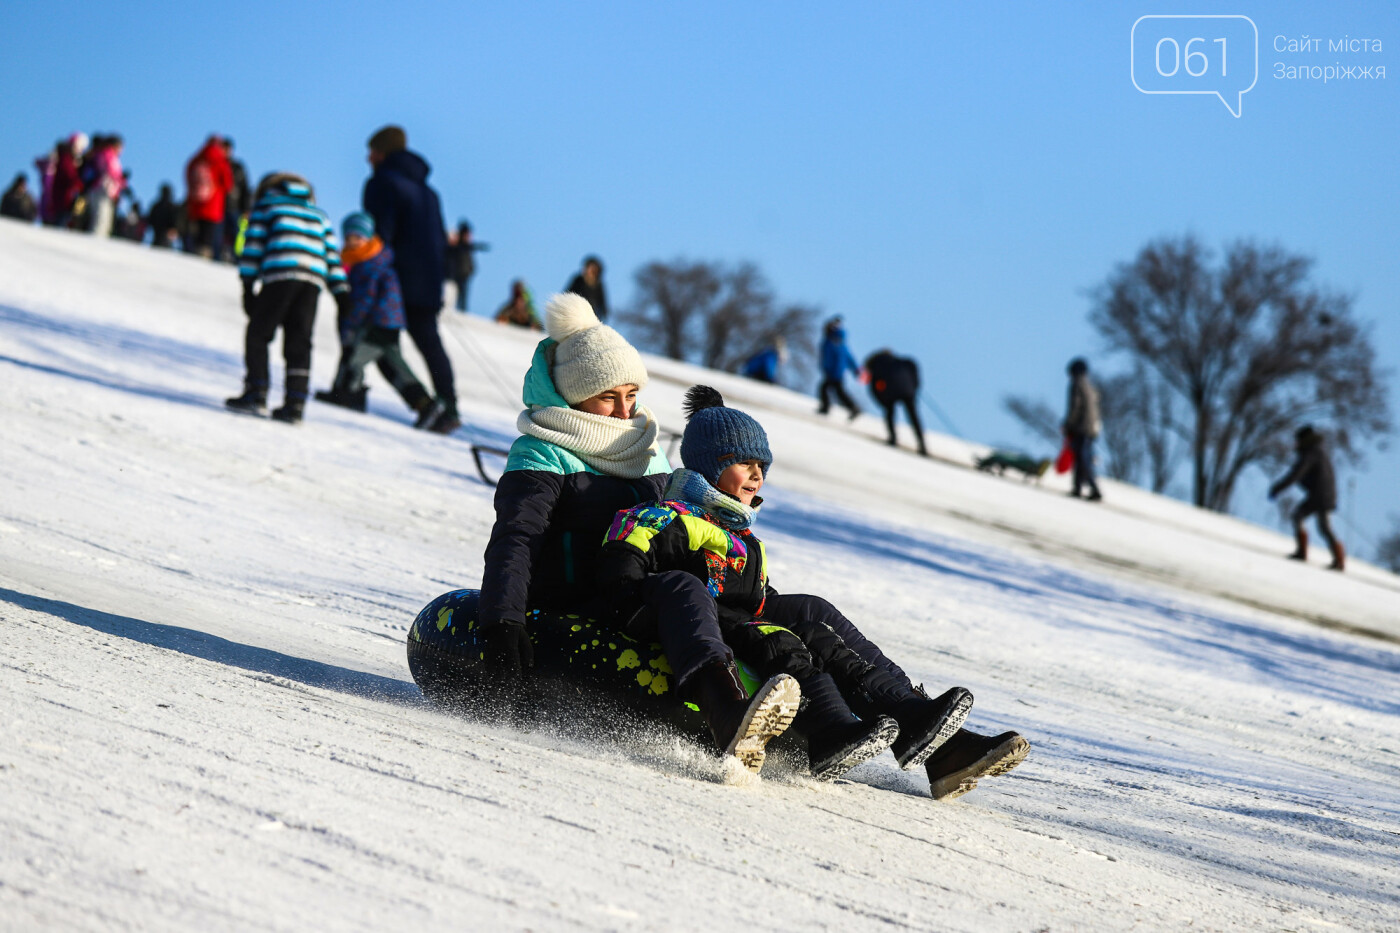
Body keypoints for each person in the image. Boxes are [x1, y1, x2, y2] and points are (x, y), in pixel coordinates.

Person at [476, 293, 801, 771]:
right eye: (608, 396)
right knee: (682, 589)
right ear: (573, 394)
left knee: (789, 611)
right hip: (577, 601)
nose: (624, 412)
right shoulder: (543, 452)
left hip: (644, 594)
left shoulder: (647, 450)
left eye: (631, 395)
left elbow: (685, 527)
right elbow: (517, 539)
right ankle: (726, 714)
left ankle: (836, 717)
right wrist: (502, 621)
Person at [600, 386, 974, 781]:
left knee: (814, 620)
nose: (757, 475)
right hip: (682, 620)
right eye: (744, 463)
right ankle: (826, 729)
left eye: (762, 465)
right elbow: (623, 559)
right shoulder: (667, 516)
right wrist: (631, 599)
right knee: (777, 638)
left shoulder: (741, 536)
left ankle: (913, 717)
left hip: (731, 617)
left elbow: (753, 598)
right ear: (710, 465)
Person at [226, 173, 348, 423]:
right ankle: (295, 403)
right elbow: (332, 256)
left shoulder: (267, 206)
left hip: (280, 273)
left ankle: (256, 392)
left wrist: (248, 285)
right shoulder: (320, 215)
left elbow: (254, 245)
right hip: (312, 282)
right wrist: (341, 292)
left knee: (259, 333)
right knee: (300, 340)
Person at [362, 125, 459, 433]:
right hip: (429, 280)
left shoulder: (382, 183)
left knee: (377, 343)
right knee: (431, 345)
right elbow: (439, 239)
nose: (368, 158)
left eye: (373, 151)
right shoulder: (430, 192)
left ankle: (424, 404)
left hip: (395, 280)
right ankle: (449, 408)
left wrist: (366, 270)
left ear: (383, 153)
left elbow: (382, 234)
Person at [314, 212, 446, 429]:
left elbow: (364, 299)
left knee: (354, 356)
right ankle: (425, 405)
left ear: (367, 237)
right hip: (386, 322)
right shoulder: (365, 260)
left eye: (357, 237)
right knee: (392, 367)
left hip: (379, 322)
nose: (351, 242)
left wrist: (352, 320)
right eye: (348, 238)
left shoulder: (371, 262)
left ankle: (347, 393)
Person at [1269, 426, 1345, 571]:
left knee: (1302, 518)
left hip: (1320, 496)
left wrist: (1278, 488)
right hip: (1325, 495)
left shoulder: (1311, 453)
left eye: (1297, 440)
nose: (1295, 443)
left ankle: (1305, 553)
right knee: (1323, 526)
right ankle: (1337, 559)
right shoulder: (1318, 452)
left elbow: (1296, 474)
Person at [865, 349, 927, 456]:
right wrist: (913, 389)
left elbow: (875, 387)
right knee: (913, 416)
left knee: (890, 412)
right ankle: (922, 444)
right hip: (908, 391)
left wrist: (882, 400)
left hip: (890, 392)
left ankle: (892, 438)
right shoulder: (904, 363)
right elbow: (915, 377)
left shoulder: (877, 366)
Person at [185, 135, 234, 258]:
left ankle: (194, 253)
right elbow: (228, 183)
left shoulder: (197, 158)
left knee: (197, 234)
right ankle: (204, 257)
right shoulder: (220, 161)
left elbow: (187, 173)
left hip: (196, 204)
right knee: (209, 237)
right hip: (213, 205)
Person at [1063, 358, 1102, 501]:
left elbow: (1075, 406)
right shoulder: (1089, 386)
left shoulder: (1076, 385)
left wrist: (1068, 424)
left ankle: (1092, 488)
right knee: (1082, 458)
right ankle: (1078, 487)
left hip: (1081, 428)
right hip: (1091, 429)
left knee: (1082, 459)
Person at [817, 316, 861, 420]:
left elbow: (847, 358)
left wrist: (856, 370)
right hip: (833, 372)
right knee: (834, 391)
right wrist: (856, 370)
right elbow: (849, 358)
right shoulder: (833, 342)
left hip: (834, 372)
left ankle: (851, 407)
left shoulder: (834, 343)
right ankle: (852, 407)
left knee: (830, 390)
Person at [85, 134, 126, 238]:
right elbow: (110, 173)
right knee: (101, 218)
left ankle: (99, 240)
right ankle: (95, 242)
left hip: (105, 190)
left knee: (105, 219)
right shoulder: (107, 155)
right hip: (102, 189)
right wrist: (119, 184)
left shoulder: (108, 155)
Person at [446, 220, 489, 312]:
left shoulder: (466, 246)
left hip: (465, 275)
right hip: (457, 275)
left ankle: (461, 312)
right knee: (455, 297)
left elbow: (473, 247)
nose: (468, 236)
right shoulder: (459, 247)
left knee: (463, 299)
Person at [222, 138, 251, 261]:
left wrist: (246, 208)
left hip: (235, 208)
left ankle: (237, 259)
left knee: (237, 235)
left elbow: (245, 188)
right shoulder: (216, 165)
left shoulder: (238, 167)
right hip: (220, 208)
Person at [565, 255, 608, 321]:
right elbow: (567, 294)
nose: (587, 270)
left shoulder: (599, 284)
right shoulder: (578, 280)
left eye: (591, 268)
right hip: (576, 313)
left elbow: (602, 303)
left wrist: (602, 315)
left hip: (591, 316)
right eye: (587, 267)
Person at [146, 183, 180, 247]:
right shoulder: (171, 206)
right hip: (160, 235)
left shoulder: (157, 206)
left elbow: (150, 219)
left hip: (163, 235)